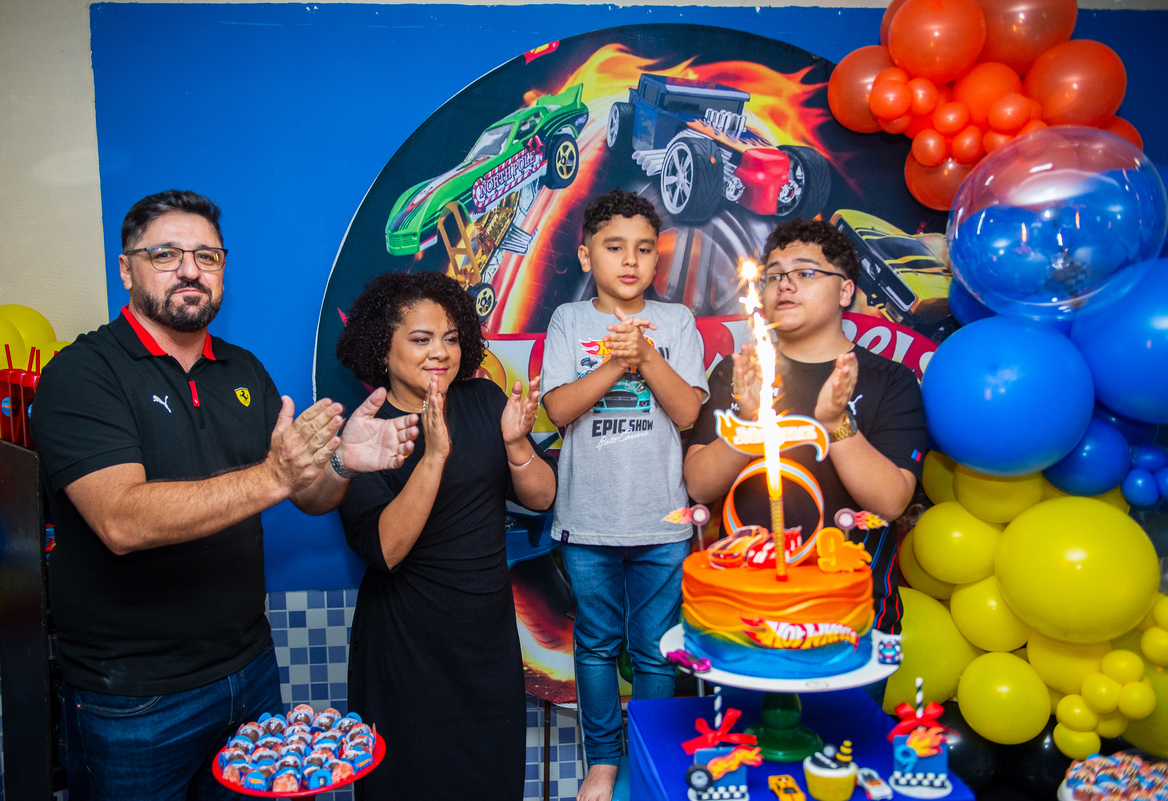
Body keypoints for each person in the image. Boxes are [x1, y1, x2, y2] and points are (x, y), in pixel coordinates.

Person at [30, 189, 419, 801]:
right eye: (166, 254)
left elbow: (310, 497)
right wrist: (274, 476)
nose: (190, 270)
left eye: (207, 256)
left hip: (250, 674)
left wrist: (342, 461)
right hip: (134, 700)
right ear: (126, 269)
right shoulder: (83, 374)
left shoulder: (244, 372)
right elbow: (121, 521)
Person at [332, 270, 556, 800]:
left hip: (486, 645)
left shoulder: (482, 400)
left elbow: (542, 497)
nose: (440, 352)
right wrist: (433, 456)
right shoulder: (366, 435)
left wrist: (516, 445)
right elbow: (386, 551)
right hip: (407, 651)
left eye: (451, 338)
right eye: (421, 339)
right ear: (382, 350)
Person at [683, 218, 926, 704]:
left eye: (805, 272)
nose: (785, 285)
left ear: (845, 290)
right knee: (745, 747)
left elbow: (891, 501)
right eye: (774, 275)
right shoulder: (739, 373)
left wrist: (836, 423)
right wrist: (749, 421)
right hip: (746, 617)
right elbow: (699, 484)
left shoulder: (889, 381)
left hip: (851, 624)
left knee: (840, 749)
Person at [540, 189, 708, 801]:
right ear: (587, 256)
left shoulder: (677, 321)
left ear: (656, 259)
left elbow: (688, 411)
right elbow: (557, 409)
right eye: (614, 247)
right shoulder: (569, 321)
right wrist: (616, 363)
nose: (630, 260)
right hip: (587, 520)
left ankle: (650, 755)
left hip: (662, 522)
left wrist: (646, 356)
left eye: (643, 249)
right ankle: (605, 761)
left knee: (657, 651)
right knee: (596, 646)